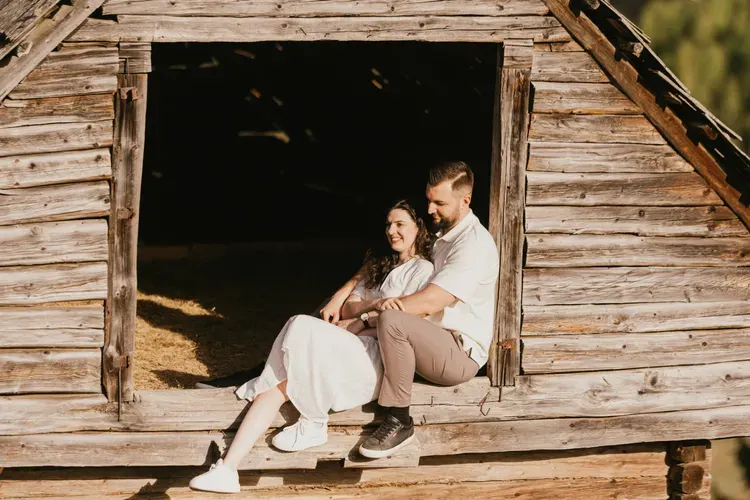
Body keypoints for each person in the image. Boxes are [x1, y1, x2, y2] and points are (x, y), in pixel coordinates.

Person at [189, 200, 435, 494]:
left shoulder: (423, 270)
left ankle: (314, 419)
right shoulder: (382, 266)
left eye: (400, 224)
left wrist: (362, 322)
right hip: (347, 349)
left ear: (419, 227)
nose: (391, 231)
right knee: (277, 385)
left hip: (374, 359)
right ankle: (227, 469)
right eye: (388, 224)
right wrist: (375, 305)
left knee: (300, 324)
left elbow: (406, 324)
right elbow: (348, 307)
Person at [355, 161, 499, 459]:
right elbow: (385, 260)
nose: (430, 209)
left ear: (465, 201)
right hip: (429, 339)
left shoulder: (473, 245)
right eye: (429, 200)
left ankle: (399, 420)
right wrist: (343, 296)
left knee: (392, 319)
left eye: (440, 203)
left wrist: (365, 319)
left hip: (458, 353)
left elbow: (431, 302)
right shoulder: (441, 237)